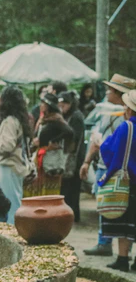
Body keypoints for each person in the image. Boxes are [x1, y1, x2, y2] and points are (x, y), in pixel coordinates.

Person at [80, 74, 135, 256]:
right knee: (109, 207)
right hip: (111, 166)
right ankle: (106, 243)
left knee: (120, 211)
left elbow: (108, 145)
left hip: (115, 169)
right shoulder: (106, 112)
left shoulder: (125, 120)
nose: (106, 93)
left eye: (110, 90)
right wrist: (87, 161)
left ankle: (112, 248)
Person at [97, 88, 136, 272]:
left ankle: (122, 259)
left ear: (129, 109)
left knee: (124, 222)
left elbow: (110, 150)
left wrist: (100, 144)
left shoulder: (126, 127)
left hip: (128, 182)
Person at [0, 86, 33, 224]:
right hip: (17, 166)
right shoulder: (19, 119)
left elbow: (6, 146)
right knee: (15, 200)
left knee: (10, 204)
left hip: (9, 165)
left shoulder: (10, 120)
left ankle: (13, 233)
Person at [24, 93, 74, 197]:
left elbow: (69, 132)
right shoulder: (44, 119)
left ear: (48, 105)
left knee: (49, 190)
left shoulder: (56, 119)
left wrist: (54, 142)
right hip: (41, 158)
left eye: (43, 103)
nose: (40, 105)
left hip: (50, 159)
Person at [58, 91, 86, 222]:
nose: (61, 106)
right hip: (71, 157)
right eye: (60, 103)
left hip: (75, 158)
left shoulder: (76, 117)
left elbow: (75, 139)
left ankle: (73, 216)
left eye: (64, 103)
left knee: (72, 189)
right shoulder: (68, 116)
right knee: (68, 189)